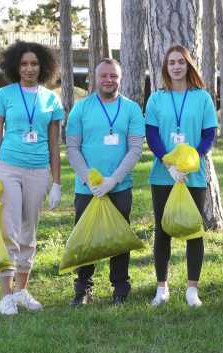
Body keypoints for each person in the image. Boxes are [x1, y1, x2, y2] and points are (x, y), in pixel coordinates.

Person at [0, 41, 64, 315]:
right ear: (16, 66)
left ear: (43, 67)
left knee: (29, 231)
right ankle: (5, 295)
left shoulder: (51, 99)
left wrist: (56, 183)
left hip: (39, 171)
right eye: (24, 64)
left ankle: (21, 291)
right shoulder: (4, 95)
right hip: (8, 168)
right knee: (9, 229)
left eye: (34, 64)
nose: (29, 69)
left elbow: (54, 144)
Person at [66, 58, 145, 306]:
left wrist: (113, 180)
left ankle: (120, 288)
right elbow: (72, 148)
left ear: (120, 78)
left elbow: (134, 149)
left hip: (119, 186)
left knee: (119, 239)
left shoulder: (132, 109)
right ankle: (83, 289)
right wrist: (89, 178)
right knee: (86, 239)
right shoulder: (81, 108)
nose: (109, 80)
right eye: (104, 76)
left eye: (113, 76)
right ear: (94, 78)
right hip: (87, 188)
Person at [145, 45, 218, 308]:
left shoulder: (202, 98)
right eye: (171, 62)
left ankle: (191, 290)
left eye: (181, 62)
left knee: (193, 231)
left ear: (189, 66)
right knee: (162, 231)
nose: (176, 66)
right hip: (164, 174)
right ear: (166, 67)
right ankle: (162, 288)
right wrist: (168, 163)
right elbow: (152, 134)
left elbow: (209, 134)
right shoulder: (156, 98)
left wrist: (191, 160)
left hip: (192, 176)